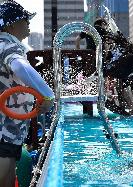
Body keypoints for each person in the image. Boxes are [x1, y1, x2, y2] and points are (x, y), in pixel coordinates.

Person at [0, 2, 54, 186]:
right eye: (24, 19)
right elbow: (20, 66)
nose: (28, 22)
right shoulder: (6, 45)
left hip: (9, 131)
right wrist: (48, 95)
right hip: (3, 131)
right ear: (10, 25)